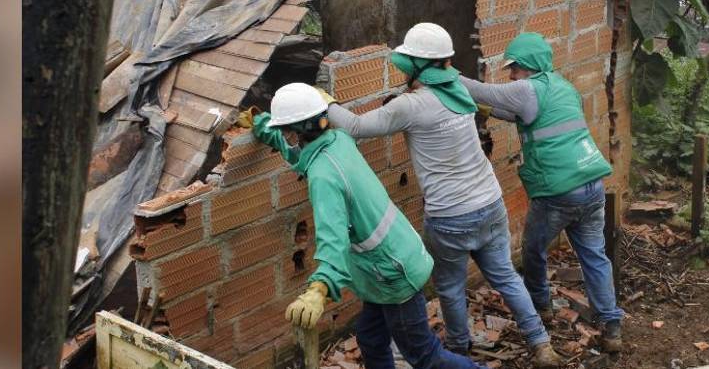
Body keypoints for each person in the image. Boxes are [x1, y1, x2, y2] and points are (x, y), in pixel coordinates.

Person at [323, 23, 563, 367]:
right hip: (490, 202)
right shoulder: (460, 89)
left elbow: (357, 127)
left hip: (451, 215)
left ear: (415, 65)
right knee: (506, 276)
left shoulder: (412, 105)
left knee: (450, 288)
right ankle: (541, 343)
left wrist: (323, 102)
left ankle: (458, 350)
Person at [236, 83, 483, 369]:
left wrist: (319, 289)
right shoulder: (337, 140)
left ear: (296, 131)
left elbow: (333, 241)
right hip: (392, 260)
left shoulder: (324, 177)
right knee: (370, 338)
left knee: (425, 356)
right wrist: (263, 125)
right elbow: (300, 154)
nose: (284, 136)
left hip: (392, 273)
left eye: (285, 130)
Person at [459, 32, 623, 353]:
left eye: (514, 68)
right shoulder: (563, 87)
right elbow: (520, 114)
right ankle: (612, 327)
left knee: (533, 250)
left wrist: (444, 75)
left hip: (559, 191)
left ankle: (542, 307)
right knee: (594, 256)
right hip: (591, 184)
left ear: (529, 66)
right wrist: (481, 108)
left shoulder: (527, 87)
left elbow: (487, 91)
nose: (511, 75)